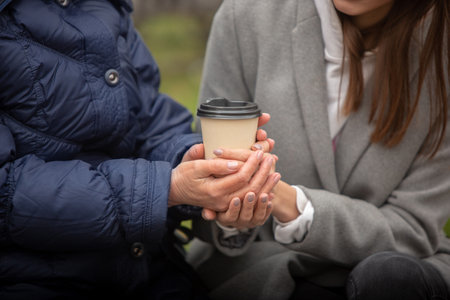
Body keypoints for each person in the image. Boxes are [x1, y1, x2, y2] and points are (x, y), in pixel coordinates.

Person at [0, 0, 279, 299]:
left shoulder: (105, 7)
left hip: (148, 266)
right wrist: (166, 188)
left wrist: (201, 162)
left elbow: (150, 120)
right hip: (34, 277)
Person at [189, 0, 450, 299]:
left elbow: (414, 227)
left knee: (388, 278)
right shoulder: (247, 15)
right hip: (264, 268)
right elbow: (205, 190)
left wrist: (293, 203)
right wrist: (231, 208)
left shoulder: (440, 48)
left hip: (395, 272)